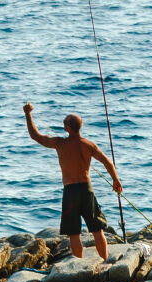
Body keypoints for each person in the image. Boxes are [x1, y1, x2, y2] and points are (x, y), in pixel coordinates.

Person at [22, 102, 122, 262]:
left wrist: (28, 114)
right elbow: (108, 163)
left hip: (71, 191)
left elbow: (35, 136)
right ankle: (104, 261)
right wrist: (116, 180)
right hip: (86, 189)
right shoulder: (89, 145)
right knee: (97, 229)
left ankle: (79, 264)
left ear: (68, 127)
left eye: (64, 123)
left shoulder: (60, 143)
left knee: (74, 233)